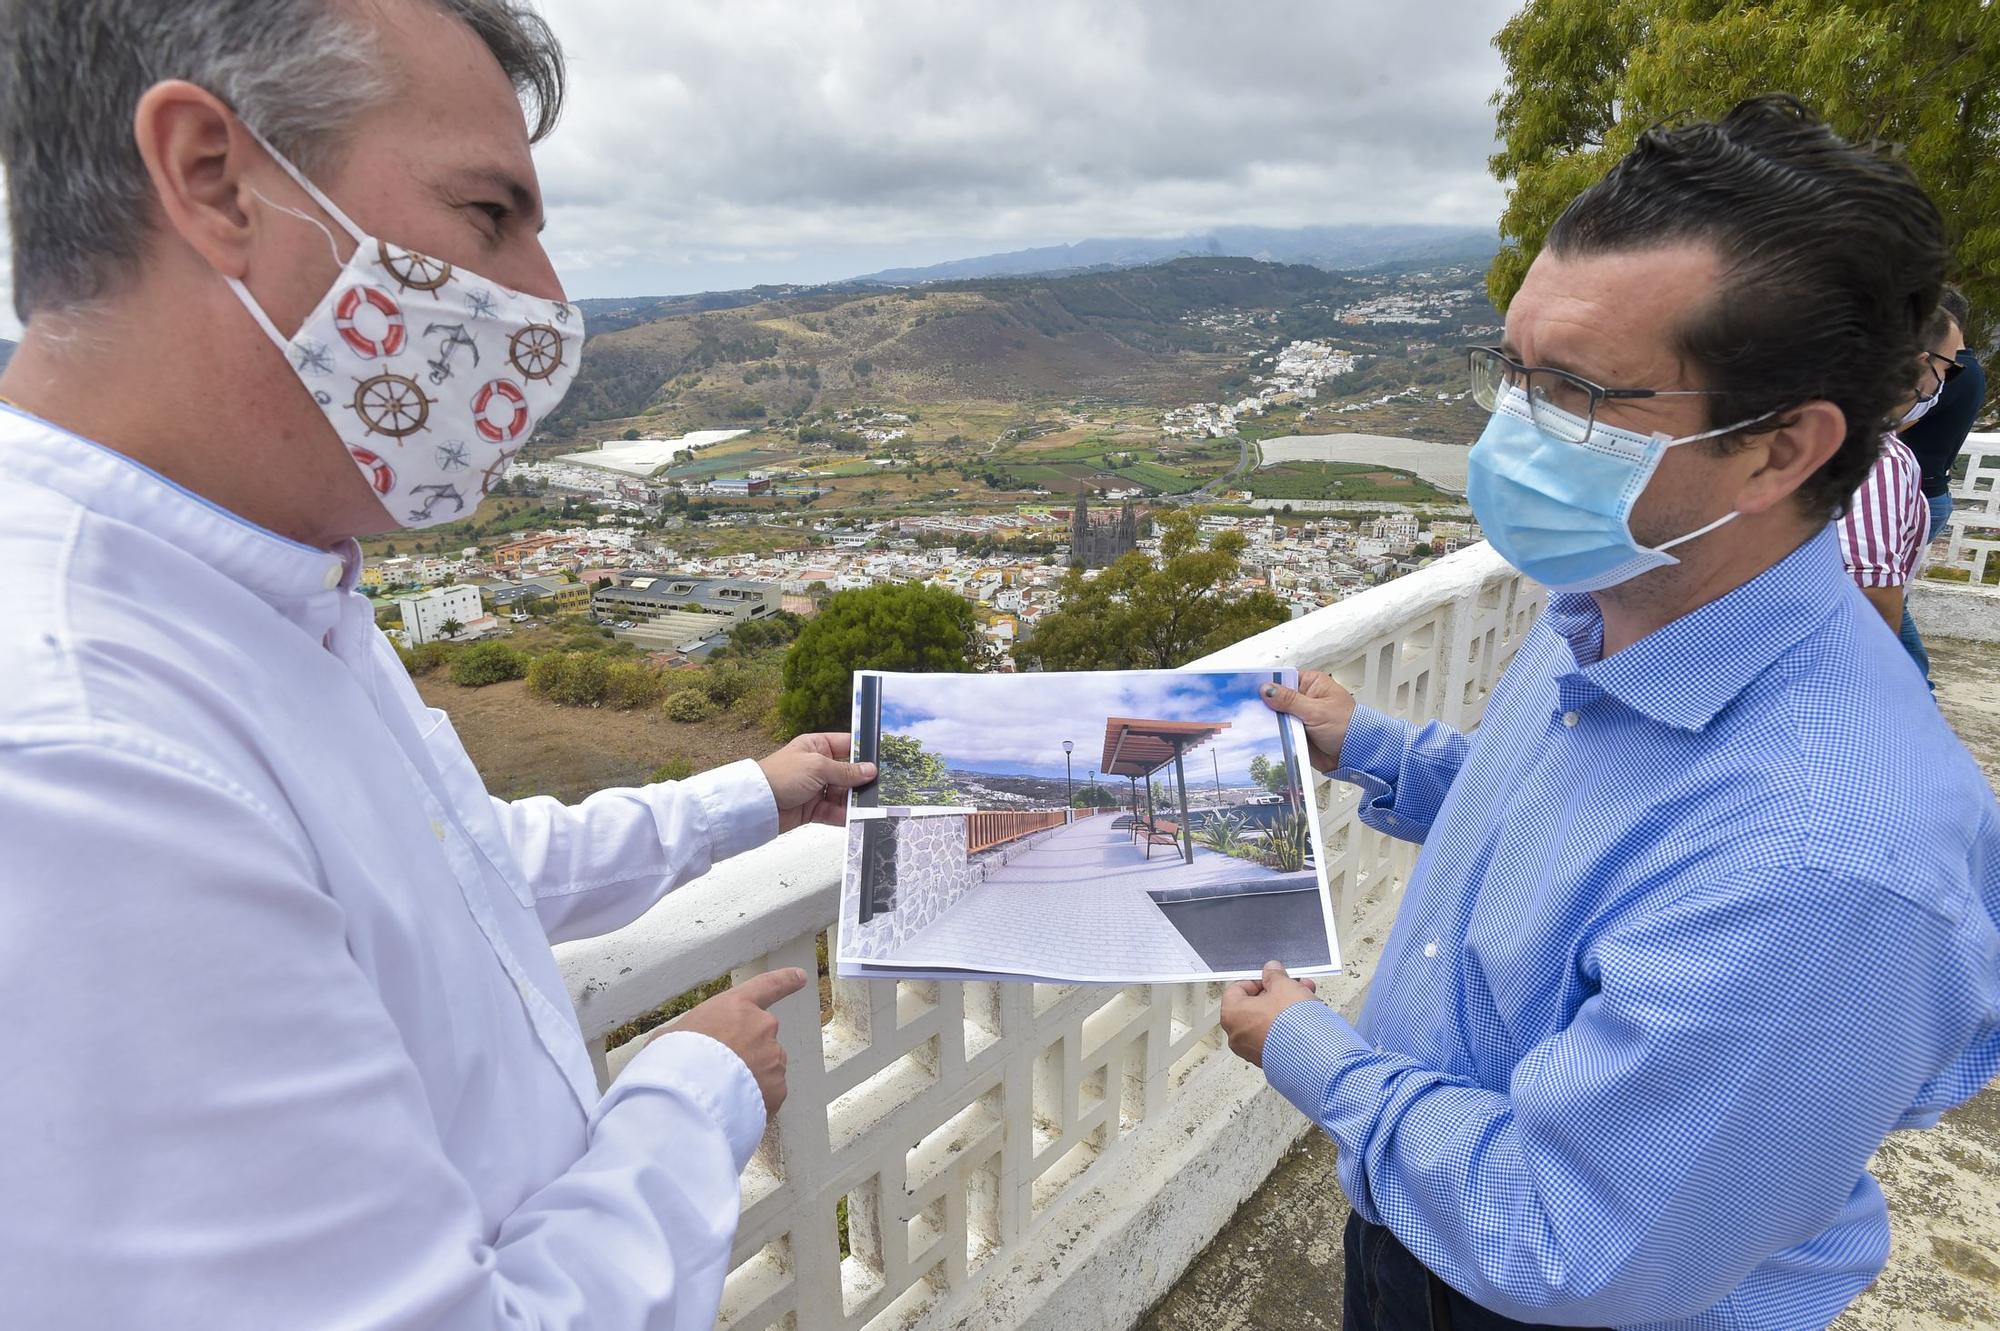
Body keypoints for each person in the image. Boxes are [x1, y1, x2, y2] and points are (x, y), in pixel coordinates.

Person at [0, 3, 873, 1328]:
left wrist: (749, 794)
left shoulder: (262, 593)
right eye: (488, 213)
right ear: (213, 177)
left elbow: (445, 874)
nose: (545, 299)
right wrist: (688, 1095)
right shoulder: (84, 761)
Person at [1223, 96, 1999, 1331]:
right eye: (1513, 370)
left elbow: (1569, 1236)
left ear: (1775, 450)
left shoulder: (1832, 860)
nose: (1510, 428)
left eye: (1576, 393)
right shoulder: (1624, 592)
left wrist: (1313, 1055)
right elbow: (1577, 829)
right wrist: (1364, 745)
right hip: (1418, 1223)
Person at [1836, 304, 1964, 679]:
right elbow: (1870, 584)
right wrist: (1880, 679)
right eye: (1949, 370)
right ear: (1919, 364)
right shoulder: (1877, 454)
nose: (1944, 383)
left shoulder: (1809, 423)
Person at [1898, 284, 1986, 660]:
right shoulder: (1969, 371)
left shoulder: (1950, 374)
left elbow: (1893, 422)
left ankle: (1919, 687)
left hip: (1918, 495)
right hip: (1927, 492)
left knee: (1884, 595)